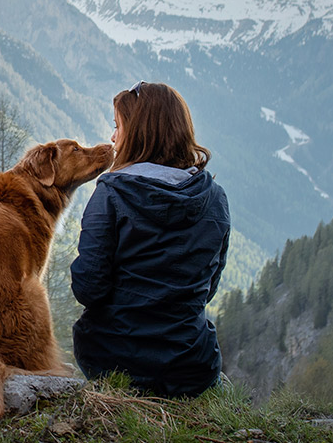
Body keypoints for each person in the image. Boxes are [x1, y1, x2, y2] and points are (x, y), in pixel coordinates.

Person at [69, 81, 230, 398]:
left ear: (142, 131)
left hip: (113, 362)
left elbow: (88, 288)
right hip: (192, 366)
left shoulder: (112, 194)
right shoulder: (215, 199)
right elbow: (207, 289)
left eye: (119, 126)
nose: (113, 137)